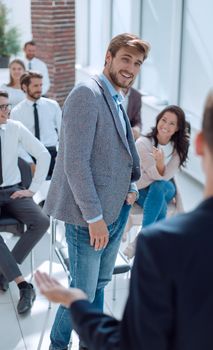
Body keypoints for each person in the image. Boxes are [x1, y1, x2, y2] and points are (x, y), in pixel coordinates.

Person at [36, 89, 213, 350]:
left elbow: (133, 345)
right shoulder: (143, 143)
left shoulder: (164, 247)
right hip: (112, 206)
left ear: (197, 143)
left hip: (130, 205)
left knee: (96, 283)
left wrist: (75, 303)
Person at [44, 33, 150, 350]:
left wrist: (131, 187)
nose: (131, 67)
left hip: (115, 209)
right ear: (108, 57)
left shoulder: (117, 95)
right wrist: (94, 217)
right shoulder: (86, 94)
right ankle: (57, 345)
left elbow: (123, 149)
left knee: (98, 284)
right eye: (126, 59)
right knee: (84, 293)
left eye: (138, 63)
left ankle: (86, 343)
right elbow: (75, 162)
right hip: (88, 217)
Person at [0, 90, 50, 314]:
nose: (7, 111)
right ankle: (23, 284)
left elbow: (43, 154)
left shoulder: (14, 128)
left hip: (12, 191)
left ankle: (4, 273)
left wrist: (32, 189)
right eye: (1, 107)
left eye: (7, 106)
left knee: (41, 221)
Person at [124, 105, 190, 258]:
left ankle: (142, 239)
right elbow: (156, 174)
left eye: (172, 123)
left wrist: (158, 167)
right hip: (140, 190)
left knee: (160, 186)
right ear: (158, 120)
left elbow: (165, 177)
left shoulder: (179, 148)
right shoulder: (143, 143)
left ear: (178, 128)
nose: (166, 126)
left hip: (166, 188)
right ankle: (145, 243)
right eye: (164, 120)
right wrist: (160, 165)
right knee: (158, 195)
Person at [11, 71, 62, 177]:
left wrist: (61, 155)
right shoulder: (16, 112)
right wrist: (30, 163)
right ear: (24, 87)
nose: (39, 89)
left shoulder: (53, 105)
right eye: (35, 85)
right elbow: (16, 142)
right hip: (31, 155)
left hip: (53, 154)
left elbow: (64, 133)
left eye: (40, 85)